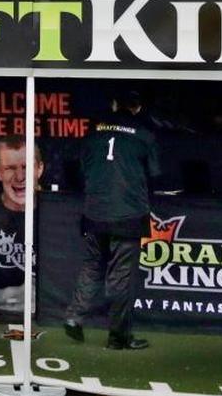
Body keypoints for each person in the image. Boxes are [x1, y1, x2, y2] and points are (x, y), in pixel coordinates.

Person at [64, 91, 159, 350]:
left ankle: (74, 316)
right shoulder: (145, 135)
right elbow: (156, 174)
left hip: (94, 212)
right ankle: (118, 338)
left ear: (114, 103)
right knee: (121, 277)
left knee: (92, 265)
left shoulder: (92, 133)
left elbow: (78, 169)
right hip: (128, 215)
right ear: (137, 108)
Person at [0, 135, 44, 320]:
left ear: (40, 169)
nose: (20, 177)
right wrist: (2, 296)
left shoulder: (58, 216)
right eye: (10, 168)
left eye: (26, 167)